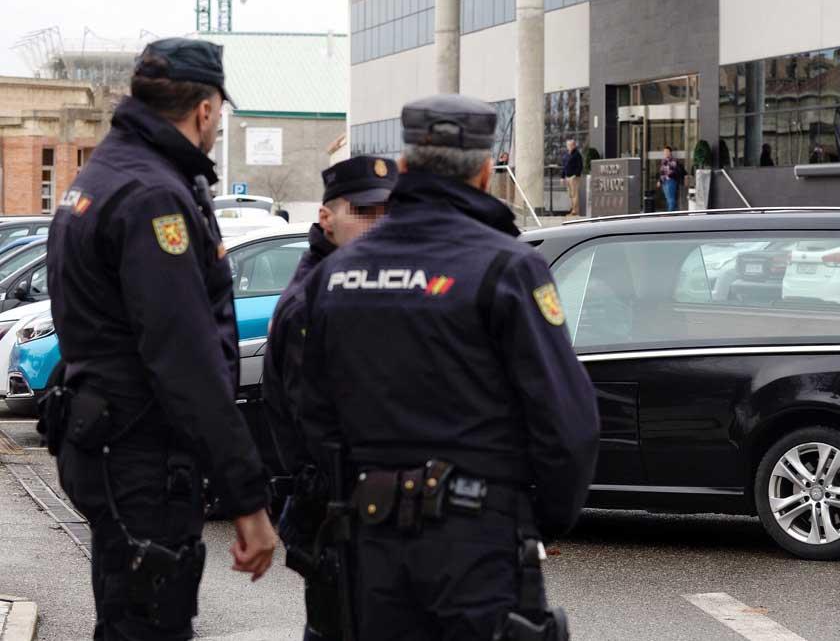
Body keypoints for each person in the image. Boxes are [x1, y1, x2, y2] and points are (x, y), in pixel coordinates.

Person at [299, 94, 600, 640]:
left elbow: (302, 407)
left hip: (367, 542)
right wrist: (537, 517)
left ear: (406, 170)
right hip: (476, 543)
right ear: (485, 173)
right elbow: (568, 420)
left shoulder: (335, 274)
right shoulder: (508, 268)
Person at [43, 37, 276, 640]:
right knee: (146, 625)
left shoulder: (108, 172)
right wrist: (247, 499)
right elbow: (186, 360)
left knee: (126, 618)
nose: (218, 124)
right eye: (219, 112)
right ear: (204, 110)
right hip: (140, 456)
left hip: (112, 444)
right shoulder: (153, 196)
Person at [261, 156, 395, 641]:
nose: (378, 225)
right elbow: (313, 427)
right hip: (337, 510)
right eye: (364, 213)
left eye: (388, 212)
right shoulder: (311, 301)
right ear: (327, 219)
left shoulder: (364, 284)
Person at [561, 139, 584, 217]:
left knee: (575, 194)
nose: (569, 146)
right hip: (567, 177)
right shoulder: (566, 155)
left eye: (571, 145)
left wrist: (575, 175)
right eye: (568, 145)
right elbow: (564, 167)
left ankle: (575, 211)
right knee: (570, 195)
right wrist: (562, 177)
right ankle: (572, 210)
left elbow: (580, 166)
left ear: (574, 145)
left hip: (574, 178)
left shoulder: (577, 154)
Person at [657, 145, 682, 212]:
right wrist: (659, 180)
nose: (665, 153)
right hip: (664, 182)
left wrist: (665, 177)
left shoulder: (673, 160)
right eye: (664, 152)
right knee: (668, 198)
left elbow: (672, 172)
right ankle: (674, 212)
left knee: (671, 198)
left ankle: (670, 213)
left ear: (670, 152)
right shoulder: (663, 161)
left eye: (667, 151)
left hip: (671, 181)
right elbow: (662, 172)